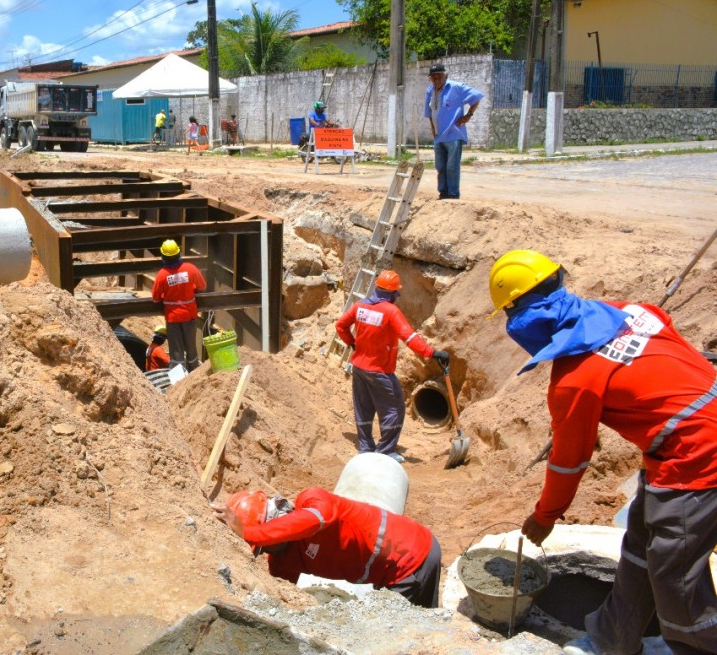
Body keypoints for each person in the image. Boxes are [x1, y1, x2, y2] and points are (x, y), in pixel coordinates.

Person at [489, 249, 717, 655]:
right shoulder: (632, 311)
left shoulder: (576, 381)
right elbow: (662, 339)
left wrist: (545, 516)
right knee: (641, 548)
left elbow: (569, 461)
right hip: (677, 447)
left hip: (697, 457)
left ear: (521, 316)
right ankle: (612, 640)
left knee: (676, 582)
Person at [212, 488, 442, 608]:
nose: (267, 552)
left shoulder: (313, 501)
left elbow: (315, 519)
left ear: (277, 519)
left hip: (413, 558)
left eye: (264, 545)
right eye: (261, 550)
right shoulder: (282, 559)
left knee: (411, 639)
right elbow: (279, 597)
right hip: (388, 574)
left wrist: (250, 534)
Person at [334, 270, 450, 462]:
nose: (398, 295)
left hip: (360, 368)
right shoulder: (390, 311)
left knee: (363, 407)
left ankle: (365, 447)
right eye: (396, 291)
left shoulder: (360, 306)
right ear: (390, 293)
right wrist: (432, 353)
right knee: (394, 408)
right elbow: (409, 337)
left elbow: (340, 325)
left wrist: (352, 343)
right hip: (380, 370)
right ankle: (386, 451)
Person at [424, 63, 482, 200]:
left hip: (453, 134)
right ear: (430, 79)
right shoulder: (430, 91)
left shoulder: (456, 88)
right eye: (434, 78)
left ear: (445, 76)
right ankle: (443, 193)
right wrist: (433, 131)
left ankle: (453, 195)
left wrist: (469, 115)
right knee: (440, 167)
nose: (437, 80)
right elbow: (430, 113)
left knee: (452, 167)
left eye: (439, 77)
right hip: (439, 136)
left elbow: (477, 97)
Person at [151, 239, 206, 371]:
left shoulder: (162, 275)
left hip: (173, 318)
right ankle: (194, 374)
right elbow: (202, 286)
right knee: (192, 349)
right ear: (178, 253)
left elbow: (155, 298)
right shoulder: (190, 269)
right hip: (190, 316)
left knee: (176, 352)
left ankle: (179, 380)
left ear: (163, 256)